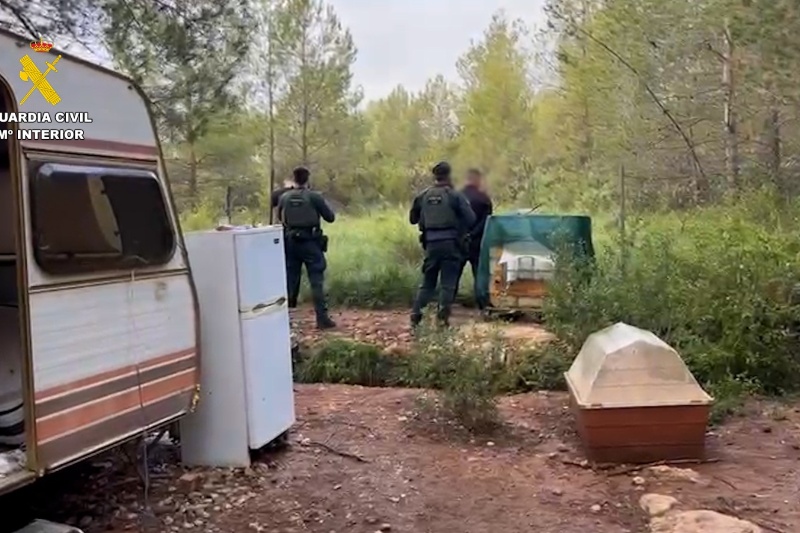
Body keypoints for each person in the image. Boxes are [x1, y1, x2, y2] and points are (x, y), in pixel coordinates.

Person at [409, 161, 476, 328]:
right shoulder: (455, 196)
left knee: (427, 282)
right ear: (449, 175)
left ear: (434, 176)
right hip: (451, 244)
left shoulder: (423, 196)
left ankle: (416, 316)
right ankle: (442, 319)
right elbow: (471, 219)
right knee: (448, 283)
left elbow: (412, 219)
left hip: (430, 244)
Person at [277, 167, 337, 329]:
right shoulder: (314, 197)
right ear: (307, 179)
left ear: (294, 179)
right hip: (310, 241)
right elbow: (330, 218)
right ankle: (322, 319)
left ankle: (286, 320)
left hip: (290, 242)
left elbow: (279, 217)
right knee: (316, 280)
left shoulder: (284, 197)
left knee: (290, 281)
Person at [455, 168, 493, 309]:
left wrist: (462, 234)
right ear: (478, 180)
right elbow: (487, 222)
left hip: (459, 241)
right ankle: (483, 305)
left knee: (454, 274)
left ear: (467, 179)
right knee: (479, 274)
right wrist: (474, 233)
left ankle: (446, 305)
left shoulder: (457, 196)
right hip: (477, 242)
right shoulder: (484, 198)